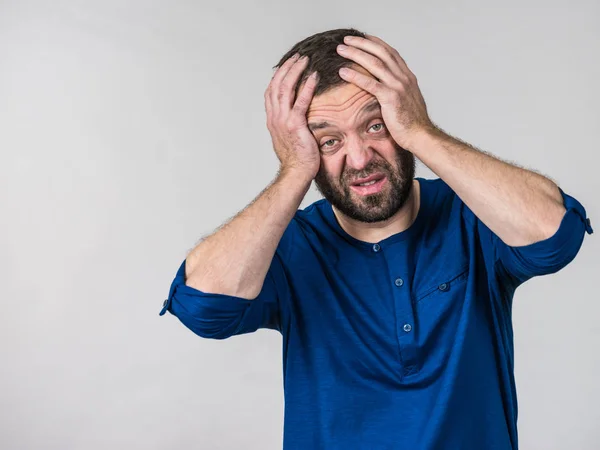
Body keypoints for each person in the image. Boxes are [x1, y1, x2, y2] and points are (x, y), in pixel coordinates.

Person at [159, 28, 593, 449]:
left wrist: (422, 132)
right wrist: (293, 171)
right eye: (329, 141)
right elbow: (203, 308)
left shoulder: (473, 213)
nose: (360, 158)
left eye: (375, 126)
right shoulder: (292, 245)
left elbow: (556, 236)